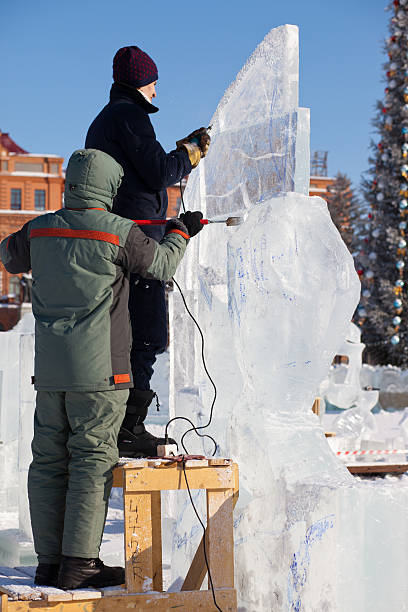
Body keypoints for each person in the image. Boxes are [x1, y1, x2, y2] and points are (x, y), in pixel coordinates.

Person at [0, 148, 203, 590]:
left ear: (72, 183)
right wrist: (181, 233)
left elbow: (9, 256)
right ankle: (80, 565)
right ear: (109, 187)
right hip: (102, 374)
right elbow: (163, 266)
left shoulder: (40, 229)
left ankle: (49, 563)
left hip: (52, 374)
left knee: (49, 462)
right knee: (92, 462)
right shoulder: (119, 232)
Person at [85, 45, 210, 457]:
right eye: (154, 83)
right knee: (147, 334)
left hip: (117, 238)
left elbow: (145, 166)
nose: (157, 91)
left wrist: (174, 155)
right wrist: (189, 153)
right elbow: (158, 171)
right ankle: (130, 429)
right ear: (141, 82)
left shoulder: (108, 119)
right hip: (136, 240)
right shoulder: (129, 115)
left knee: (127, 335)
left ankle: (122, 424)